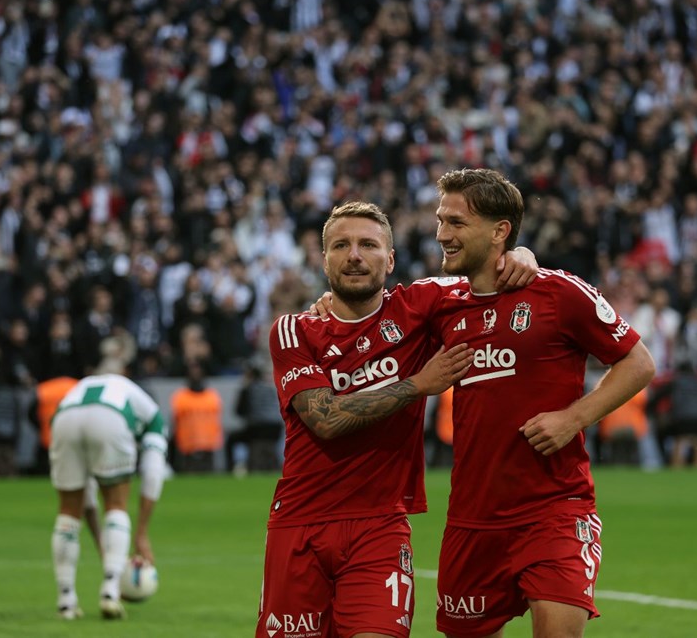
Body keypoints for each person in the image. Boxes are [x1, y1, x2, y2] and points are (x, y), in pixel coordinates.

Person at [259, 201, 538, 638]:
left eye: (368, 245)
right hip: (300, 526)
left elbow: (486, 276)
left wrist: (519, 255)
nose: (354, 255)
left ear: (390, 259)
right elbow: (325, 419)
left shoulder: (419, 307)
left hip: (381, 527)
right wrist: (416, 385)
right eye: (341, 245)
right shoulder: (292, 331)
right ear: (324, 259)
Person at [431, 168, 655, 637]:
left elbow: (638, 362)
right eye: (441, 221)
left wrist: (574, 417)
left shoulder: (558, 293)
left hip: (554, 508)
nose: (442, 235)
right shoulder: (439, 303)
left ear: (499, 232)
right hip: (473, 519)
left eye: (456, 223)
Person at [48, 370, 168, 621]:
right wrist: (141, 534)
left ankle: (66, 601)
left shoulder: (91, 386)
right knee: (116, 504)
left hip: (63, 417)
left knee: (68, 511)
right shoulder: (154, 418)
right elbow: (153, 473)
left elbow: (86, 497)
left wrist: (104, 546)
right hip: (111, 417)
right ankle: (111, 592)